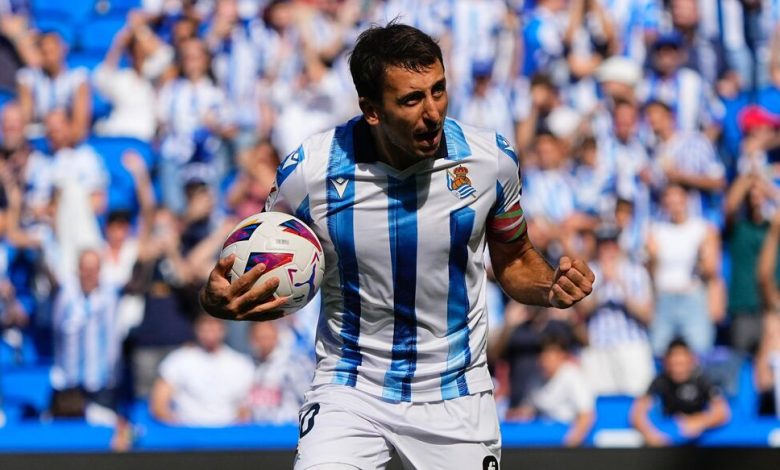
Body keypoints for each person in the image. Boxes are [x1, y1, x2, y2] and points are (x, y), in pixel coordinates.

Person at [201, 23, 594, 469]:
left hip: (455, 396)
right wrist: (216, 297)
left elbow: (516, 259)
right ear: (371, 110)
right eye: (412, 99)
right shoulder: (309, 172)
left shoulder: (490, 161)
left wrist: (550, 285)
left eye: (438, 90)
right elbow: (262, 255)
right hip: (350, 389)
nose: (433, 112)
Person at [149, 312, 254, 426]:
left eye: (214, 329)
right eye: (205, 329)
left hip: (229, 431)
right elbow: (159, 403)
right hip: (187, 431)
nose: (209, 334)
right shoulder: (178, 360)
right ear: (196, 330)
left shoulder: (241, 363)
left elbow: (246, 406)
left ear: (223, 330)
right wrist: (177, 429)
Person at [630, 338, 731, 446]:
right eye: (674, 364)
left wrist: (701, 421)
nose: (678, 370)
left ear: (690, 361)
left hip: (698, 436)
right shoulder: (660, 381)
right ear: (667, 363)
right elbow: (637, 412)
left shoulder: (702, 379)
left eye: (681, 364)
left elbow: (722, 412)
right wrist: (650, 434)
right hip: (669, 432)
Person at [513, 333, 596, 447]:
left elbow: (586, 415)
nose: (544, 360)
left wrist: (569, 446)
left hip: (566, 439)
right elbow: (529, 411)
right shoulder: (535, 379)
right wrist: (515, 415)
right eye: (541, 354)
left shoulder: (572, 376)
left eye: (549, 355)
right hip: (542, 439)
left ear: (562, 356)